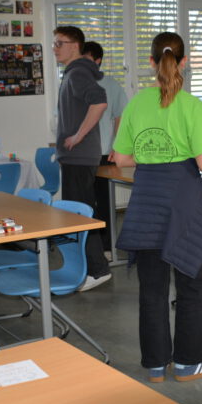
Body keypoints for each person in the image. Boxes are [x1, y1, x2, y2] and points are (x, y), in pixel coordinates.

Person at [112, 32, 202, 383]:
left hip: (146, 200)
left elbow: (121, 158)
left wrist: (152, 157)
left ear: (151, 63)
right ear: (184, 62)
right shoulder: (191, 106)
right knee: (191, 284)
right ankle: (189, 362)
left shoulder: (137, 104)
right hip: (183, 200)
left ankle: (156, 364)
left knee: (152, 288)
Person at [53, 26, 111, 291]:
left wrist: (78, 136)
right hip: (75, 157)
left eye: (60, 43)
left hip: (79, 156)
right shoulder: (73, 73)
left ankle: (98, 270)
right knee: (80, 212)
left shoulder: (77, 72)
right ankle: (90, 267)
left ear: (75, 46)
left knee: (82, 214)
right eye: (54, 43)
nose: (55, 48)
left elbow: (99, 102)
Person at [83, 40, 128, 255]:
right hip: (80, 154)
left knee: (104, 202)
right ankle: (85, 248)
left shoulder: (111, 85)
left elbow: (120, 116)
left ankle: (107, 247)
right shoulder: (74, 82)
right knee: (83, 202)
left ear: (98, 61)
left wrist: (116, 145)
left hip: (102, 152)